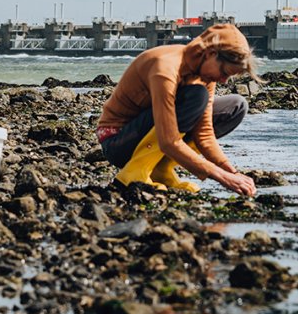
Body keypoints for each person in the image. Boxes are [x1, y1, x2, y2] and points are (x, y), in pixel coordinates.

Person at [97, 23, 258, 197]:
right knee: (196, 96)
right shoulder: (165, 68)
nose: (224, 81)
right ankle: (136, 169)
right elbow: (168, 141)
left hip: (151, 136)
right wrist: (221, 177)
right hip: (118, 142)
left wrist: (232, 173)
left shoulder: (204, 76)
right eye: (224, 72)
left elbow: (204, 134)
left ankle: (162, 169)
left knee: (236, 106)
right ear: (211, 54)